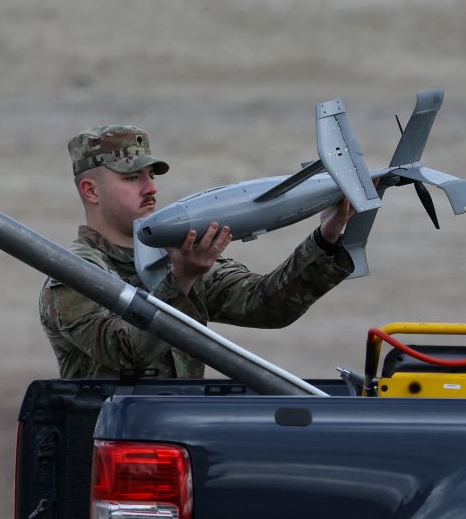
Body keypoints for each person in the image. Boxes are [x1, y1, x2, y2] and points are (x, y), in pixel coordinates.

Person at [39, 125, 357, 379]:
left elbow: (266, 305)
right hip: (106, 447)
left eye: (151, 177)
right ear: (91, 190)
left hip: (175, 439)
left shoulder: (175, 255)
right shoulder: (73, 276)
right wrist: (179, 282)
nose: (151, 189)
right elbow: (126, 351)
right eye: (132, 178)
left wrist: (324, 239)